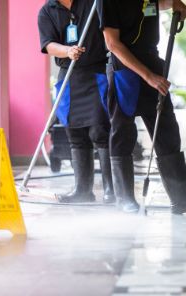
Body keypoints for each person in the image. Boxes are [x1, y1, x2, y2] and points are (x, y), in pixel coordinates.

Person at [97, 0, 186, 213]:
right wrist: (148, 76)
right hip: (125, 70)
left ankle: (182, 197)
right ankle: (124, 198)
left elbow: (159, 3)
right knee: (123, 133)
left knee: (167, 130)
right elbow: (112, 44)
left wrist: (176, 3)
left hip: (151, 62)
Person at [38, 0, 115, 203]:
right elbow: (48, 44)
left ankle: (111, 190)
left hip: (96, 72)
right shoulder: (47, 11)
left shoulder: (93, 3)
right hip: (69, 76)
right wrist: (67, 51)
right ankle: (83, 191)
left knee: (100, 131)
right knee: (75, 134)